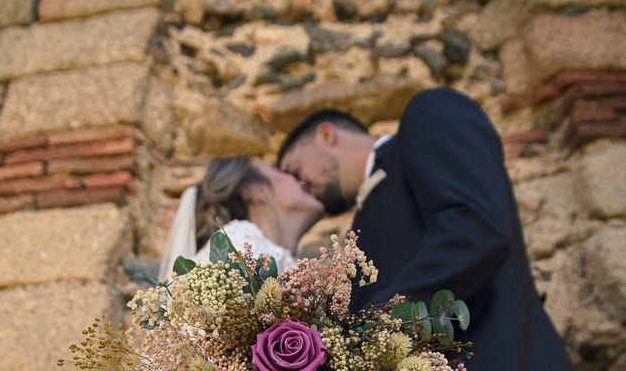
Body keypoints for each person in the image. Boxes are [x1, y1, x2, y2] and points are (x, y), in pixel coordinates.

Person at [276, 88, 574, 370]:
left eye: (293, 171)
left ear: (326, 135)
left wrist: (370, 334)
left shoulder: (428, 113)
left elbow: (474, 227)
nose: (298, 186)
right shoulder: (359, 228)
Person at [158, 156, 324, 280]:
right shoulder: (238, 244)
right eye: (286, 173)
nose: (302, 181)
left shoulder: (248, 247)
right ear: (252, 190)